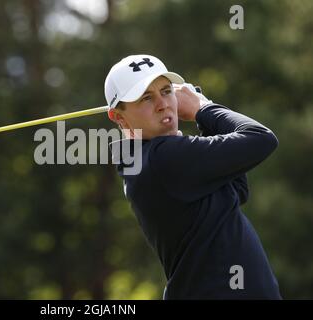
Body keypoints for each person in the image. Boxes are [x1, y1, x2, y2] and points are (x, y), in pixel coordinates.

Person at [104, 54, 282, 299]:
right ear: (118, 116)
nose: (163, 104)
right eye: (146, 97)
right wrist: (203, 107)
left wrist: (205, 118)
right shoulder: (162, 158)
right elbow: (261, 139)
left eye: (166, 91)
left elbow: (236, 191)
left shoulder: (149, 158)